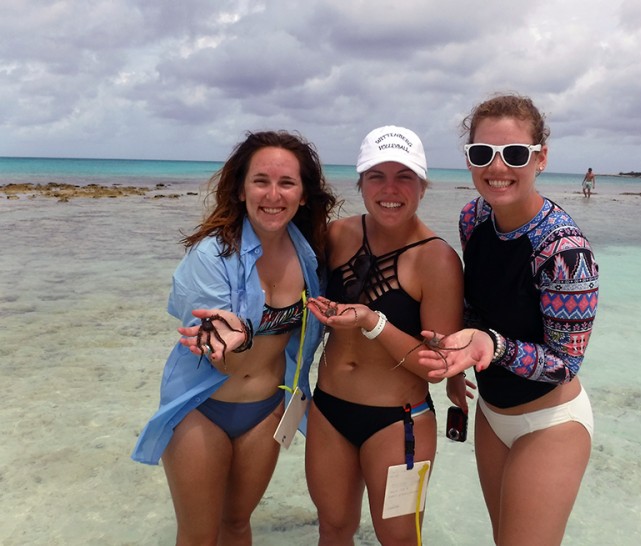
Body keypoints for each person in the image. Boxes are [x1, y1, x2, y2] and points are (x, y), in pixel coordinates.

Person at [131, 130, 337, 545]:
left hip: (267, 410)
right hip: (202, 409)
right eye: (261, 181)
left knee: (238, 524)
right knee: (199, 534)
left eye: (286, 183)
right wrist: (233, 336)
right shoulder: (211, 255)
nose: (272, 194)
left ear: (302, 194)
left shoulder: (312, 254)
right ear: (242, 190)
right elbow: (215, 347)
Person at [417, 94, 599, 546]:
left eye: (514, 154)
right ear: (469, 159)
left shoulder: (565, 252)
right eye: (483, 154)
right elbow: (481, 303)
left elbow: (564, 363)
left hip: (551, 421)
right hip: (492, 413)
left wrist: (491, 346)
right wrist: (459, 359)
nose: (497, 167)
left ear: (540, 157)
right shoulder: (473, 217)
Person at [305, 125, 464, 545]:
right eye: (377, 176)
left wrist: (372, 322)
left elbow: (438, 366)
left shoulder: (438, 259)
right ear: (360, 183)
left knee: (399, 539)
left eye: (404, 176)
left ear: (422, 186)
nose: (389, 189)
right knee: (334, 528)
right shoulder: (337, 236)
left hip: (399, 422)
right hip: (328, 411)